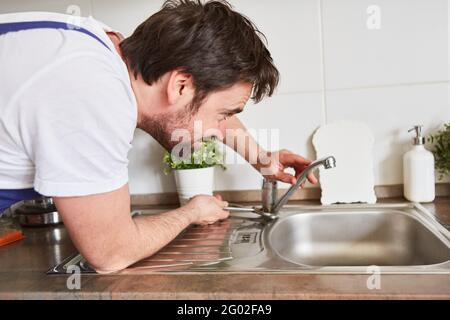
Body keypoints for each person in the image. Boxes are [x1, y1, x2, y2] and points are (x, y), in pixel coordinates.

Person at [0, 0, 317, 273]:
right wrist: (192, 211)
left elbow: (203, 108)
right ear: (180, 85)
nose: (220, 126)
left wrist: (261, 159)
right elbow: (111, 252)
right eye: (223, 113)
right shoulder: (95, 96)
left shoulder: (105, 50)